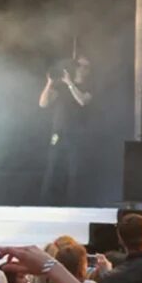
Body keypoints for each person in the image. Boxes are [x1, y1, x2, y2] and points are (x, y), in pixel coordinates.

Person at [38, 55, 93, 205]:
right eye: (78, 65)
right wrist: (49, 83)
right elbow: (43, 103)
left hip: (77, 134)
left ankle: (73, 203)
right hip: (58, 133)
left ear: (88, 70)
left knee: (74, 170)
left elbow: (82, 100)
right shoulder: (61, 88)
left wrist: (70, 83)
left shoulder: (89, 87)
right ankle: (47, 202)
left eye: (84, 66)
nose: (80, 68)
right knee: (53, 167)